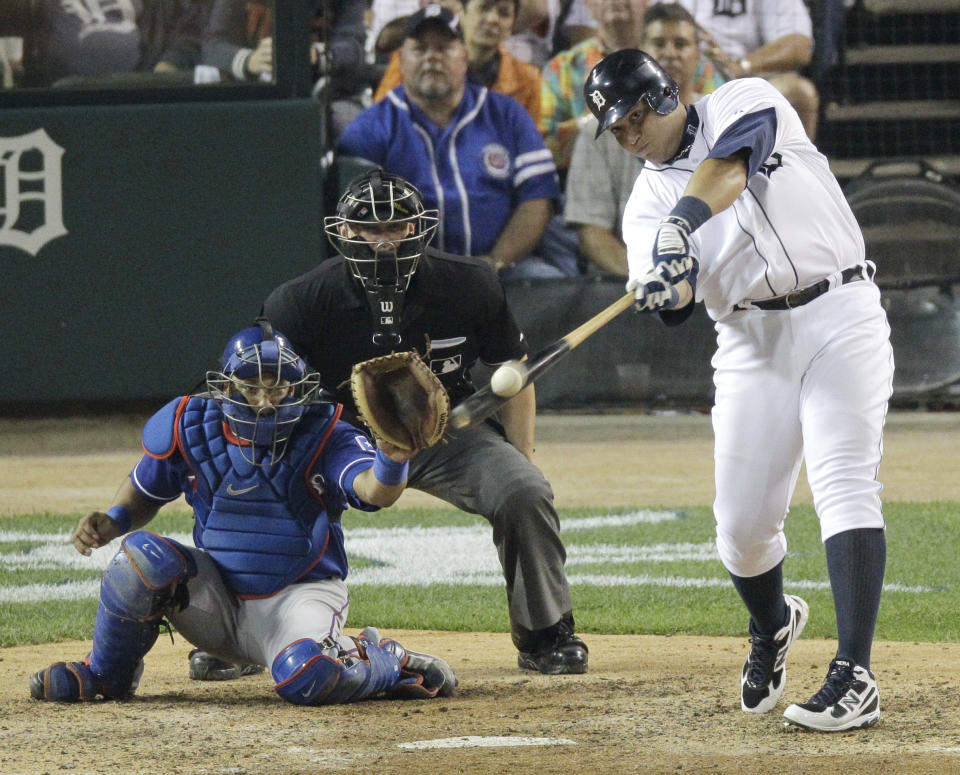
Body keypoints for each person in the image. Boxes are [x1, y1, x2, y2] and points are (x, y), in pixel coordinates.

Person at [584, 49, 891, 731]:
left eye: (634, 120)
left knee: (843, 478)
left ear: (660, 100)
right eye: (619, 130)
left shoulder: (742, 100)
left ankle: (855, 673)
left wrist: (682, 225)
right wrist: (668, 284)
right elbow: (675, 305)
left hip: (841, 311)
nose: (630, 138)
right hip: (752, 344)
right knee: (743, 532)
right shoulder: (643, 206)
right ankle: (774, 623)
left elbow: (736, 158)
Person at [259, 169, 589, 675]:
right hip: (338, 438)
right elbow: (264, 391)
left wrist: (522, 457)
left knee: (524, 490)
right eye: (370, 230)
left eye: (397, 229)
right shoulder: (300, 301)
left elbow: (513, 376)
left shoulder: (470, 283)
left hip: (444, 433)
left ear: (419, 229)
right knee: (257, 493)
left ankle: (544, 631)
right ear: (343, 232)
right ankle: (239, 636)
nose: (385, 242)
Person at [29, 321, 456, 705]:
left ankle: (385, 660)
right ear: (227, 385)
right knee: (139, 559)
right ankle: (106, 676)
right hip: (217, 600)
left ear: (297, 387)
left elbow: (374, 492)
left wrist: (393, 458)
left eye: (278, 387)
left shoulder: (324, 431)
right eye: (251, 386)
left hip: (298, 596)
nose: (266, 401)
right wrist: (115, 520)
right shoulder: (191, 424)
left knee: (309, 676)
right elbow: (145, 489)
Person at [339, 5, 575, 280]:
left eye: (443, 48)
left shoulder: (507, 114)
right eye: (420, 49)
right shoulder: (370, 128)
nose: (432, 58)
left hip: (503, 272)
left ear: (464, 56)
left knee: (550, 282)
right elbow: (361, 221)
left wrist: (492, 263)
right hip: (409, 277)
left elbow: (537, 199)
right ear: (401, 60)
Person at [565, 2, 700, 276]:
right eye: (659, 43)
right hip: (629, 285)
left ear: (698, 54)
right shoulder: (598, 135)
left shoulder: (719, 115)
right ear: (643, 54)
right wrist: (649, 279)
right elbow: (592, 234)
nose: (670, 54)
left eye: (681, 44)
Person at [373, 0, 543, 124]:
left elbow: (527, 145)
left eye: (504, 13)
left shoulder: (528, 80)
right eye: (484, 8)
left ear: (511, 26)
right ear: (462, 13)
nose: (493, 19)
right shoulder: (415, 59)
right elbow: (380, 120)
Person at [677, 0, 820, 139]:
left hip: (743, 80)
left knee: (799, 92)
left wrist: (742, 66)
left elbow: (798, 46)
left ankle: (788, 163)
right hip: (682, 75)